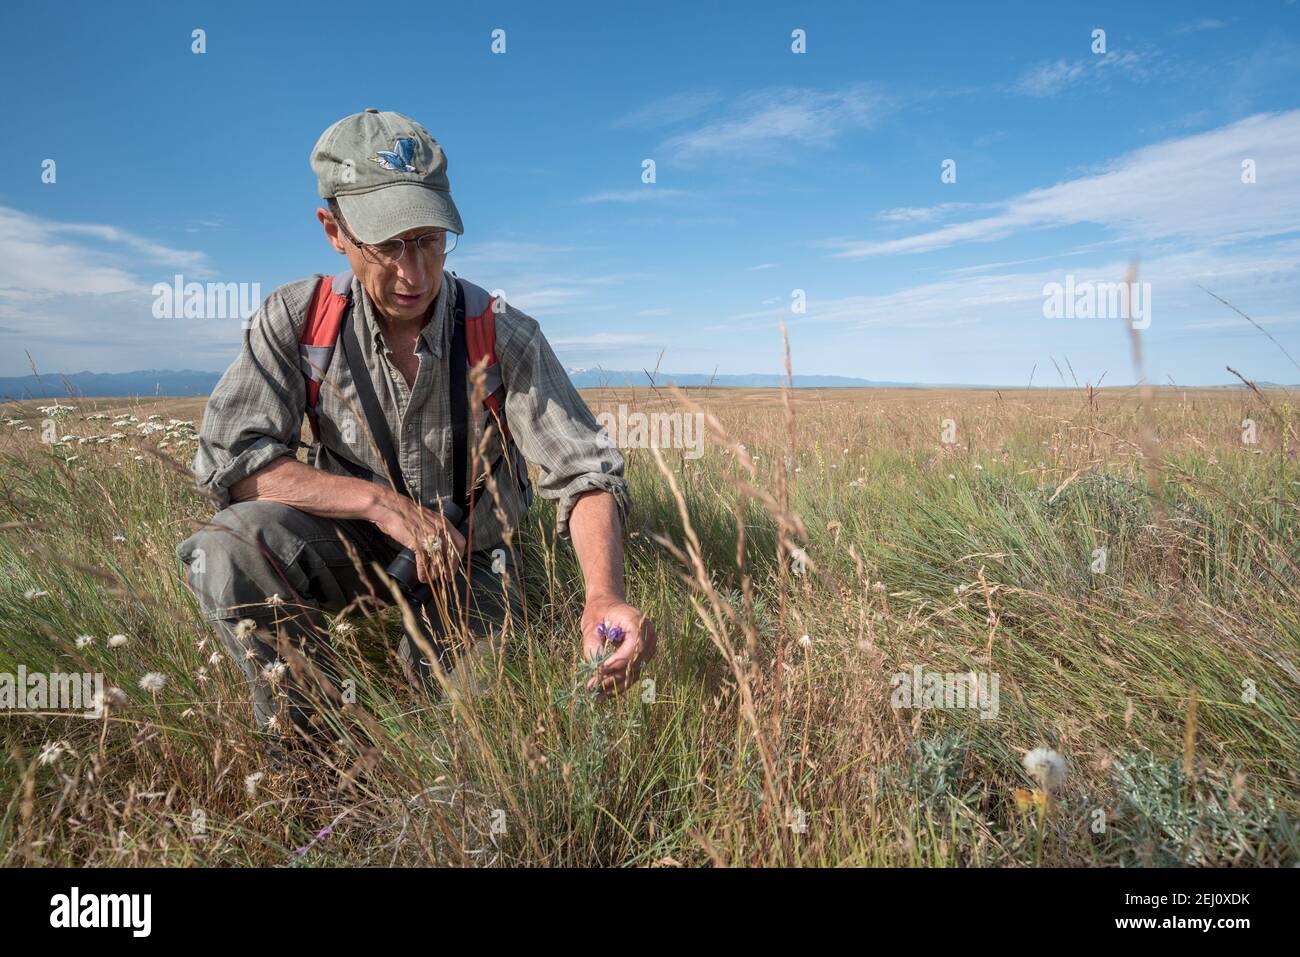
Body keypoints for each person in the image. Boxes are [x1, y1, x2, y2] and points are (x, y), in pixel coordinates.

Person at [176, 108, 656, 751]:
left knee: (470, 732)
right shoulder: (297, 320)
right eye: (389, 244)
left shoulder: (501, 330)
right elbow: (231, 463)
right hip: (349, 543)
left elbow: (586, 470)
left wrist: (604, 596)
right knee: (228, 547)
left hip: (473, 560)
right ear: (333, 230)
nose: (415, 274)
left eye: (429, 239)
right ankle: (317, 752)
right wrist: (378, 505)